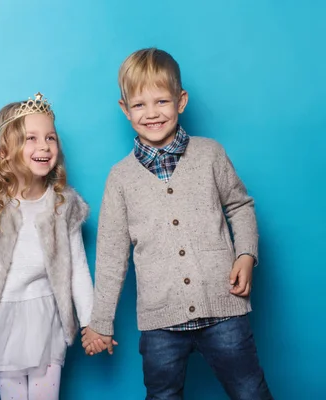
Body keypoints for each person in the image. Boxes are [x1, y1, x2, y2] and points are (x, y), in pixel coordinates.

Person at [82, 48, 273, 399]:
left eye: (161, 101)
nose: (152, 113)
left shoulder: (210, 154)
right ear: (124, 109)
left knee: (249, 390)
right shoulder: (120, 178)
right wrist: (101, 323)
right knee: (163, 395)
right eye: (139, 105)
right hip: (160, 324)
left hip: (223, 308)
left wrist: (246, 254)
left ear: (181, 101)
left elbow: (240, 206)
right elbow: (110, 256)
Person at [0, 93, 94, 400]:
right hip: (0, 319)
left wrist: (90, 323)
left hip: (47, 317)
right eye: (31, 138)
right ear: (5, 152)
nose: (44, 146)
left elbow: (77, 270)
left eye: (50, 138)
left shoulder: (63, 204)